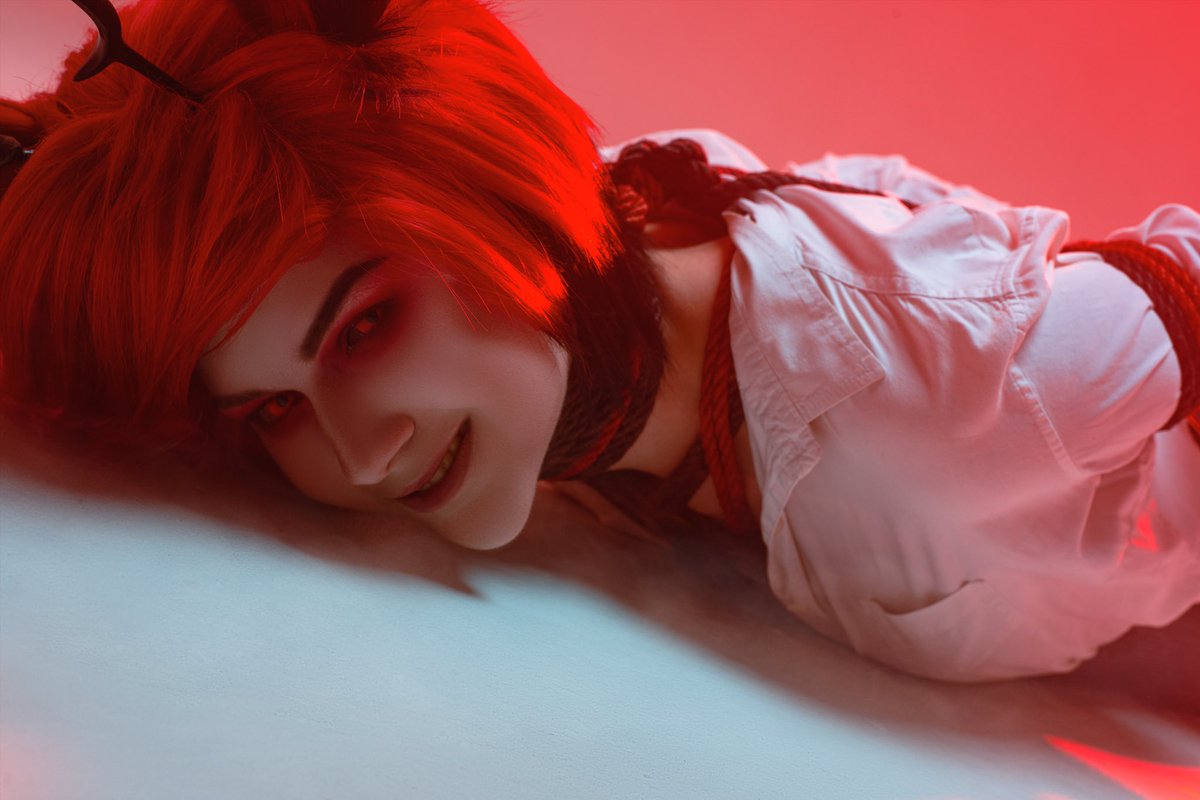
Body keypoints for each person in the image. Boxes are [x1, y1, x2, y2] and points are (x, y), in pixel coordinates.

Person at [1, 0, 1197, 683]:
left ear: (496, 199)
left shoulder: (942, 383)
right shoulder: (625, 238)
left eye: (365, 325)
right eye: (275, 406)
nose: (360, 455)